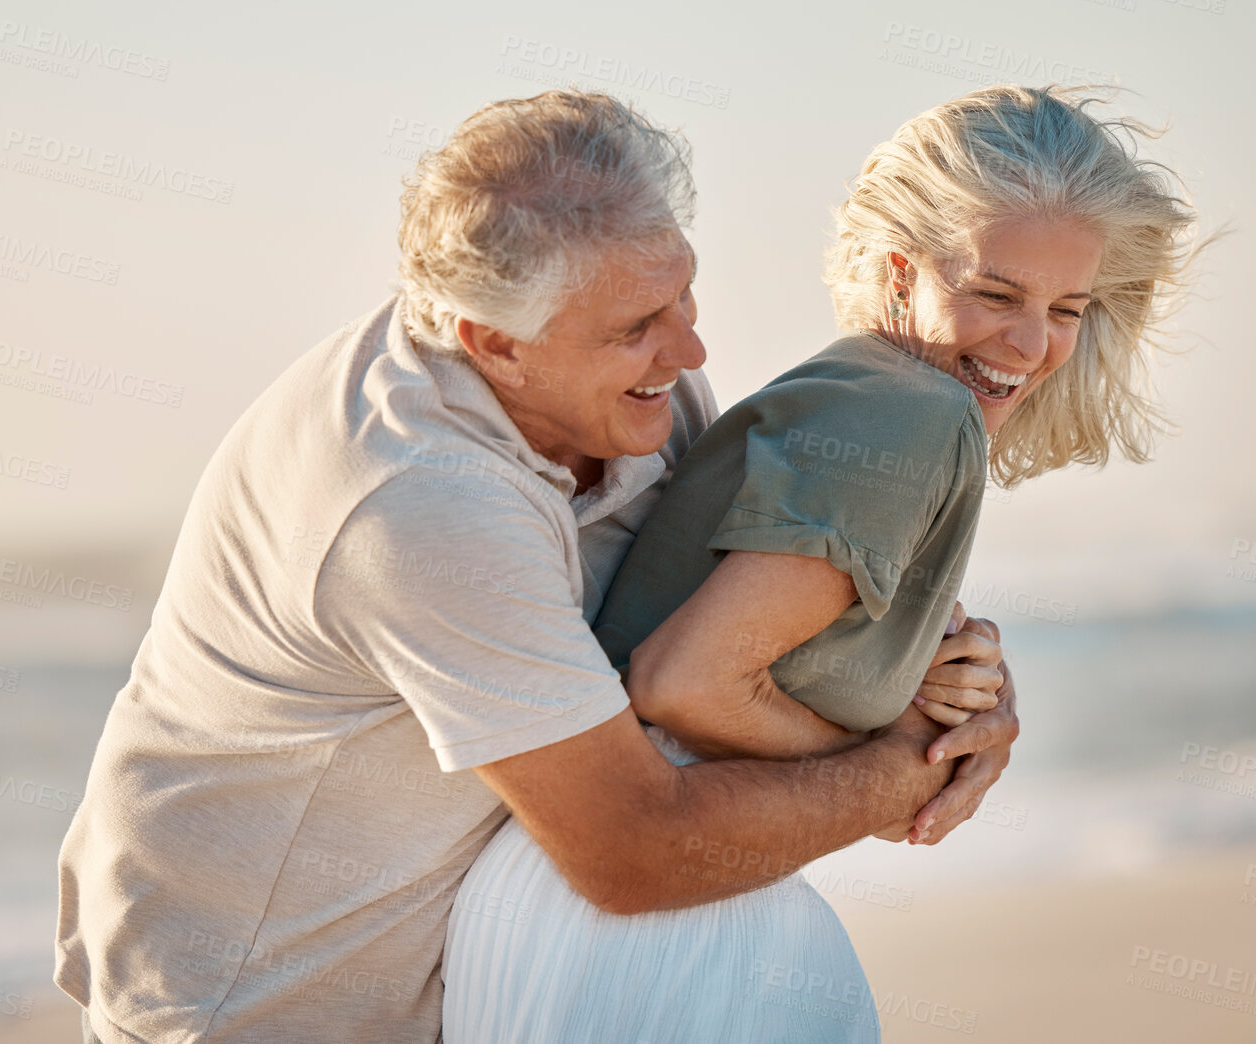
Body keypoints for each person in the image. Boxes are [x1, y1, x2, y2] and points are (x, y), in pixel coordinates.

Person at [54, 89, 1013, 1044]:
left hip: (467, 973)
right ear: (494, 344)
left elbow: (759, 622)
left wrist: (950, 687)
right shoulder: (419, 501)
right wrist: (899, 776)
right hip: (258, 1002)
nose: (688, 349)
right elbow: (635, 850)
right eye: (636, 324)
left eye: (684, 293)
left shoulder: (642, 393)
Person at [442, 84, 1203, 1042]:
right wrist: (890, 770)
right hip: (666, 915)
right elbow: (684, 683)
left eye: (1068, 307)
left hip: (561, 907)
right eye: (996, 294)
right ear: (900, 274)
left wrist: (937, 673)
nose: (1030, 342)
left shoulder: (858, 393)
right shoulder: (915, 418)